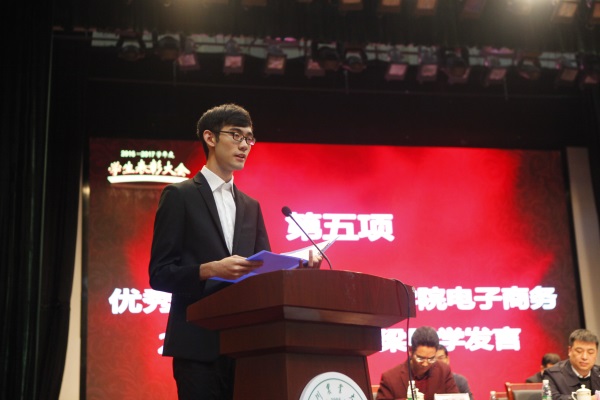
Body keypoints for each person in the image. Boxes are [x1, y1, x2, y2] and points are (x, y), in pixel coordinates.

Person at [148, 104, 320, 400]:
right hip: (197, 348)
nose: (244, 145)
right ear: (210, 138)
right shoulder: (179, 196)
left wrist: (297, 267)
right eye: (236, 135)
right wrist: (211, 269)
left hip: (246, 348)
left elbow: (264, 273)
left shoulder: (251, 206)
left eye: (249, 138)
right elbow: (160, 274)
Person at [377, 326, 459, 400]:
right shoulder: (390, 378)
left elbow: (455, 397)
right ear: (410, 351)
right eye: (420, 358)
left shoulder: (443, 371)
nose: (425, 364)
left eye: (431, 359)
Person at [543, 329, 600, 400]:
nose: (584, 357)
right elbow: (551, 398)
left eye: (590, 352)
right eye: (579, 351)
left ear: (596, 353)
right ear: (570, 351)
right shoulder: (553, 375)